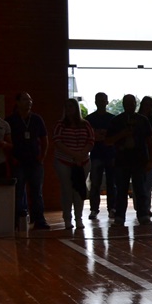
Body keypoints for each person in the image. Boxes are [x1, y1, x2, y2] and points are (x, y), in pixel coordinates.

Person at [106, 94, 152, 226]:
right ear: (123, 104)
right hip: (121, 160)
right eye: (127, 103)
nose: (130, 106)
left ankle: (143, 215)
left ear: (135, 104)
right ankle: (119, 217)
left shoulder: (143, 120)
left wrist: (151, 160)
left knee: (141, 190)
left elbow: (150, 141)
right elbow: (108, 141)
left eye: (132, 103)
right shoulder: (116, 121)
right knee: (121, 190)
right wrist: (122, 134)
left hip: (139, 160)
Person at [7, 92, 50, 230]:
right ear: (17, 102)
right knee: (18, 191)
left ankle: (39, 220)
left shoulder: (37, 119)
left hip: (35, 161)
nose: (29, 102)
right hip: (18, 161)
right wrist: (11, 158)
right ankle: (18, 221)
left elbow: (44, 139)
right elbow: (7, 141)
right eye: (25, 99)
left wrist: (42, 157)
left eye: (30, 99)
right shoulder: (11, 120)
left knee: (37, 192)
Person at [52, 98, 94, 229]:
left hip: (83, 162)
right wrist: (73, 154)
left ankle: (79, 218)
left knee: (79, 190)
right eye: (67, 107)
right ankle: (67, 219)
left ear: (76, 108)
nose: (69, 109)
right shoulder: (60, 125)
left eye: (71, 106)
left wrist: (82, 154)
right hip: (64, 161)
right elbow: (57, 141)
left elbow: (91, 140)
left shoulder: (85, 124)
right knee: (67, 190)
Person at [85, 92, 117, 220]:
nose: (101, 102)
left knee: (108, 183)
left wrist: (98, 135)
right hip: (100, 154)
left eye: (103, 100)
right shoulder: (111, 119)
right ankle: (98, 209)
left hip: (106, 154)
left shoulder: (91, 119)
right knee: (97, 183)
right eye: (99, 100)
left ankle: (107, 208)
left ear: (106, 102)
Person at [138, 95, 152, 215]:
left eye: (149, 105)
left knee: (149, 181)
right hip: (139, 151)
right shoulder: (137, 119)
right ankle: (141, 207)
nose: (148, 107)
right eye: (146, 105)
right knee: (140, 180)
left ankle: (146, 207)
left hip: (150, 151)